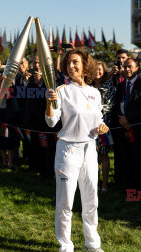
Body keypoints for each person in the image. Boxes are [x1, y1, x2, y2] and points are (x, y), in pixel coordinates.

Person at [45, 48, 108, 252]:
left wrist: (102, 126)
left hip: (90, 148)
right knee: (65, 202)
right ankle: (65, 245)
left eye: (75, 62)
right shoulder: (62, 91)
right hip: (68, 150)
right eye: (69, 63)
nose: (71, 66)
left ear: (84, 65)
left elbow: (98, 120)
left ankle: (92, 243)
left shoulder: (94, 93)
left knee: (91, 199)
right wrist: (49, 102)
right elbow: (51, 121)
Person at [112, 58, 141, 190]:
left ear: (137, 68)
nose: (127, 69)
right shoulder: (121, 85)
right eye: (125, 66)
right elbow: (116, 104)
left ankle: (138, 185)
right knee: (125, 156)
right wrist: (121, 118)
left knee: (137, 157)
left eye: (130, 67)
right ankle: (127, 185)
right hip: (122, 126)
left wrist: (128, 118)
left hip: (137, 127)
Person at [91, 60, 115, 192]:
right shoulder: (87, 86)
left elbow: (110, 106)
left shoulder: (109, 85)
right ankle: (92, 184)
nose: (97, 72)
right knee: (90, 157)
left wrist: (93, 111)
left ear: (104, 71)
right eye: (95, 69)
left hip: (103, 126)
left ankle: (104, 184)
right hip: (88, 128)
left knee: (103, 155)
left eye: (100, 69)